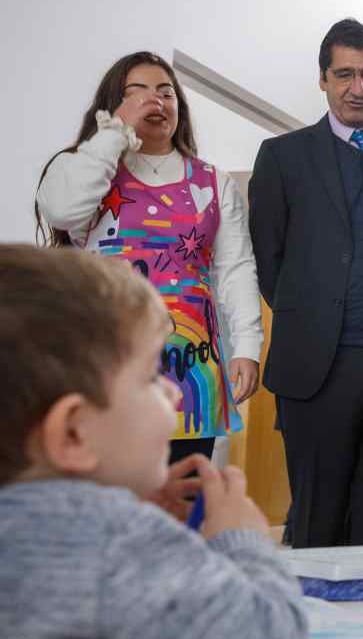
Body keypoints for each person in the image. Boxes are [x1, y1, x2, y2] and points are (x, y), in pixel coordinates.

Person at [0, 244, 306, 639]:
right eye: (150, 377)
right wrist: (243, 542)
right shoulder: (115, 538)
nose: (175, 394)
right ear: (75, 432)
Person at [249, 18, 363, 549]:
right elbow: (270, 258)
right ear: (323, 79)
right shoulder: (282, 157)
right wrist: (314, 318)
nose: (358, 88)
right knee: (318, 517)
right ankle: (312, 628)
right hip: (320, 366)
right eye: (345, 74)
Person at [35, 51, 262, 464]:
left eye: (166, 93)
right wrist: (115, 133)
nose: (155, 102)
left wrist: (247, 345)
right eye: (136, 93)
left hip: (190, 376)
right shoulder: (86, 170)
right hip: (105, 376)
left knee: (181, 507)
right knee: (110, 511)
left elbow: (235, 269)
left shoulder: (214, 182)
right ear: (114, 106)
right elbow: (62, 211)